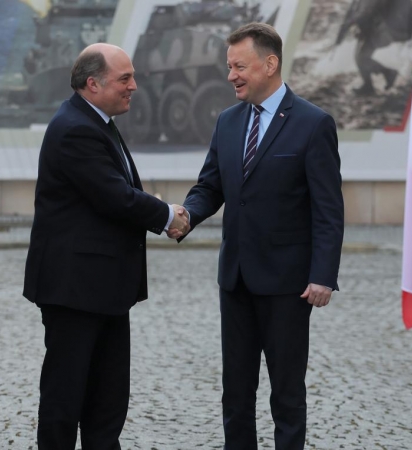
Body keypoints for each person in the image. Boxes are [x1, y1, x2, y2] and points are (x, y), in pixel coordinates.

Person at [170, 23, 344, 449]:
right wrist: (185, 216)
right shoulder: (228, 122)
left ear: (270, 64)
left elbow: (328, 209)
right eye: (229, 66)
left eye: (239, 66)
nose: (231, 75)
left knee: (286, 394)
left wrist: (323, 275)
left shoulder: (313, 124)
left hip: (288, 286)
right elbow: (210, 186)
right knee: (236, 392)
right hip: (236, 281)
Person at [23, 43, 190, 449]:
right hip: (75, 291)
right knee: (66, 401)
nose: (134, 86)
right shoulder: (76, 128)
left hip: (103, 290)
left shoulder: (95, 121)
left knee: (107, 401)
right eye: (125, 79)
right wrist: (169, 216)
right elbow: (115, 196)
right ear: (92, 84)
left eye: (132, 76)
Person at [334, 0, 412, 95]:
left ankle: (382, 77)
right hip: (381, 27)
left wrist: (349, 24)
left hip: (386, 29)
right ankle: (382, 76)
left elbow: (366, 11)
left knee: (362, 57)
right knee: (361, 56)